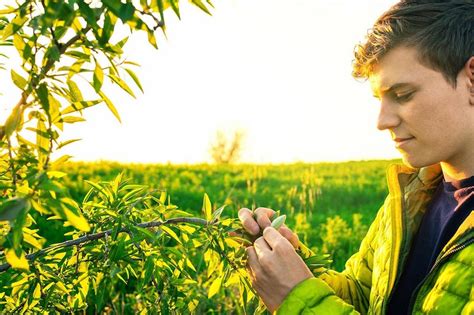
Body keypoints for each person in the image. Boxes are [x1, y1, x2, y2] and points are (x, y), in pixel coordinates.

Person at [237, 1, 474, 314]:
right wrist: (294, 267)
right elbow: (365, 298)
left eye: (403, 95)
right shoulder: (411, 197)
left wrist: (297, 299)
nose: (382, 121)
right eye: (380, 99)